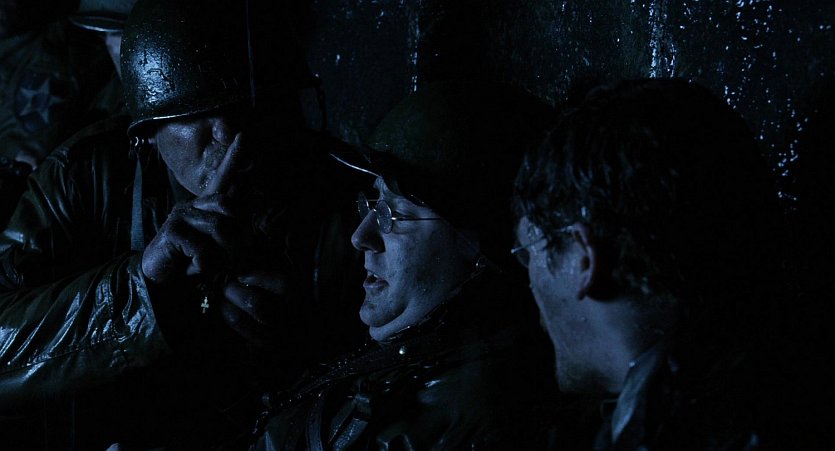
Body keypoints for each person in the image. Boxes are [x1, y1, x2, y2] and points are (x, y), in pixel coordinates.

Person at [0, 0, 364, 448]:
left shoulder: (339, 196)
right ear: (148, 132)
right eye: (195, 115)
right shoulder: (87, 177)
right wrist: (147, 293)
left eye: (244, 108)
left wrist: (304, 341)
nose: (228, 137)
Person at [250, 80, 594, 450]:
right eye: (373, 204)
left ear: (476, 245)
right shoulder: (411, 361)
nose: (361, 237)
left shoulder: (464, 417)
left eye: (395, 214)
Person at [512, 78, 793, 449]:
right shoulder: (779, 380)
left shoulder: (667, 433)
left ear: (583, 258)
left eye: (528, 251)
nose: (530, 281)